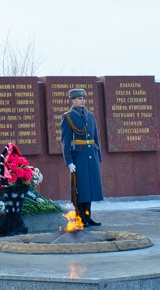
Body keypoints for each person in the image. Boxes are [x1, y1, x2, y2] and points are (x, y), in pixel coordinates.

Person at [60, 87, 103, 226]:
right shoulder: (68, 117)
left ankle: (88, 217)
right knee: (81, 188)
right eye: (79, 99)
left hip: (91, 155)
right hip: (78, 156)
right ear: (73, 101)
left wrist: (98, 155)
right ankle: (80, 218)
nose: (82, 101)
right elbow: (65, 140)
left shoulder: (90, 116)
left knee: (90, 188)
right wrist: (69, 161)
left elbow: (95, 137)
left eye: (83, 98)